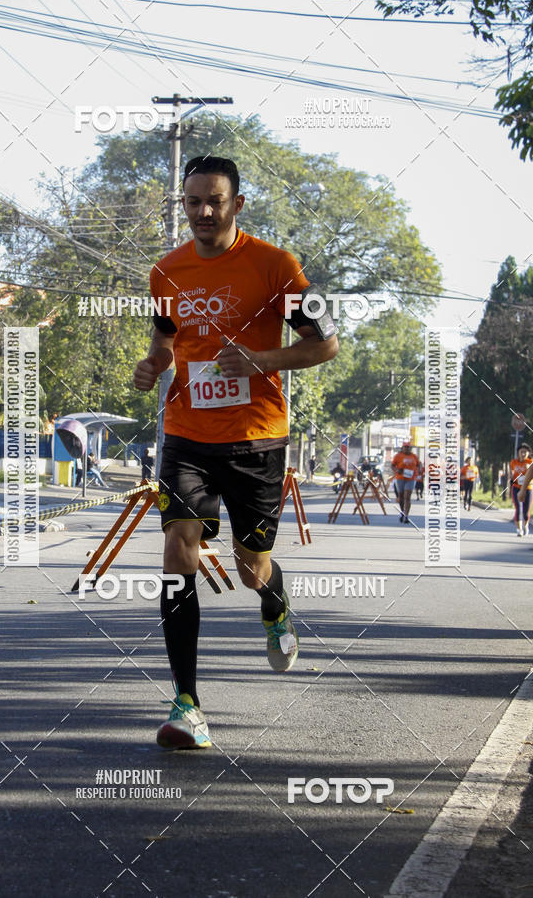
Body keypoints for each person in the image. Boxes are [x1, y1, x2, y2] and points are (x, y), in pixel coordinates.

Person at [133, 155, 339, 750]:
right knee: (178, 547)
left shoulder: (277, 266)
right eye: (192, 201)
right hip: (188, 433)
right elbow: (166, 342)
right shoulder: (165, 271)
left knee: (252, 567)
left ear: (236, 205)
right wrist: (155, 366)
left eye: (213, 201)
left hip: (256, 436)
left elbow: (326, 345)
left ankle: (274, 602)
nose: (202, 212)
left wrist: (262, 360)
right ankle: (186, 705)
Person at [391, 440, 419, 524]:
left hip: (411, 478)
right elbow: (392, 465)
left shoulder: (414, 456)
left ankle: (406, 515)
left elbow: (418, 464)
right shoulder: (398, 456)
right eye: (405, 447)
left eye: (408, 447)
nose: (407, 449)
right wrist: (396, 470)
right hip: (400, 478)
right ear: (402, 448)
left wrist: (419, 471)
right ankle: (402, 511)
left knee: (407, 497)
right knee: (401, 496)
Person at [510, 444, 532, 536]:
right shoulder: (514, 462)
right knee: (518, 508)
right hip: (516, 487)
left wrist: (528, 468)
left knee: (526, 510)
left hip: (528, 488)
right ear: (518, 453)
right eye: (521, 452)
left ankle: (525, 525)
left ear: (528, 453)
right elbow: (511, 473)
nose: (523, 454)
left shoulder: (530, 462)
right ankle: (519, 529)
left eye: (525, 452)